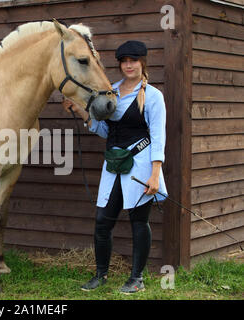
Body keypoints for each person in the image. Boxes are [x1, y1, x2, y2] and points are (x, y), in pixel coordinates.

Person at [63, 40, 168, 293]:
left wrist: (155, 175)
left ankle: (137, 279)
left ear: (142, 62)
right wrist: (80, 110)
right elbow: (104, 130)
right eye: (124, 61)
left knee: (138, 222)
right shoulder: (112, 91)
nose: (128, 65)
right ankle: (100, 275)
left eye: (133, 61)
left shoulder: (153, 96)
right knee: (102, 222)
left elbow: (158, 137)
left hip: (141, 167)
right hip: (113, 165)